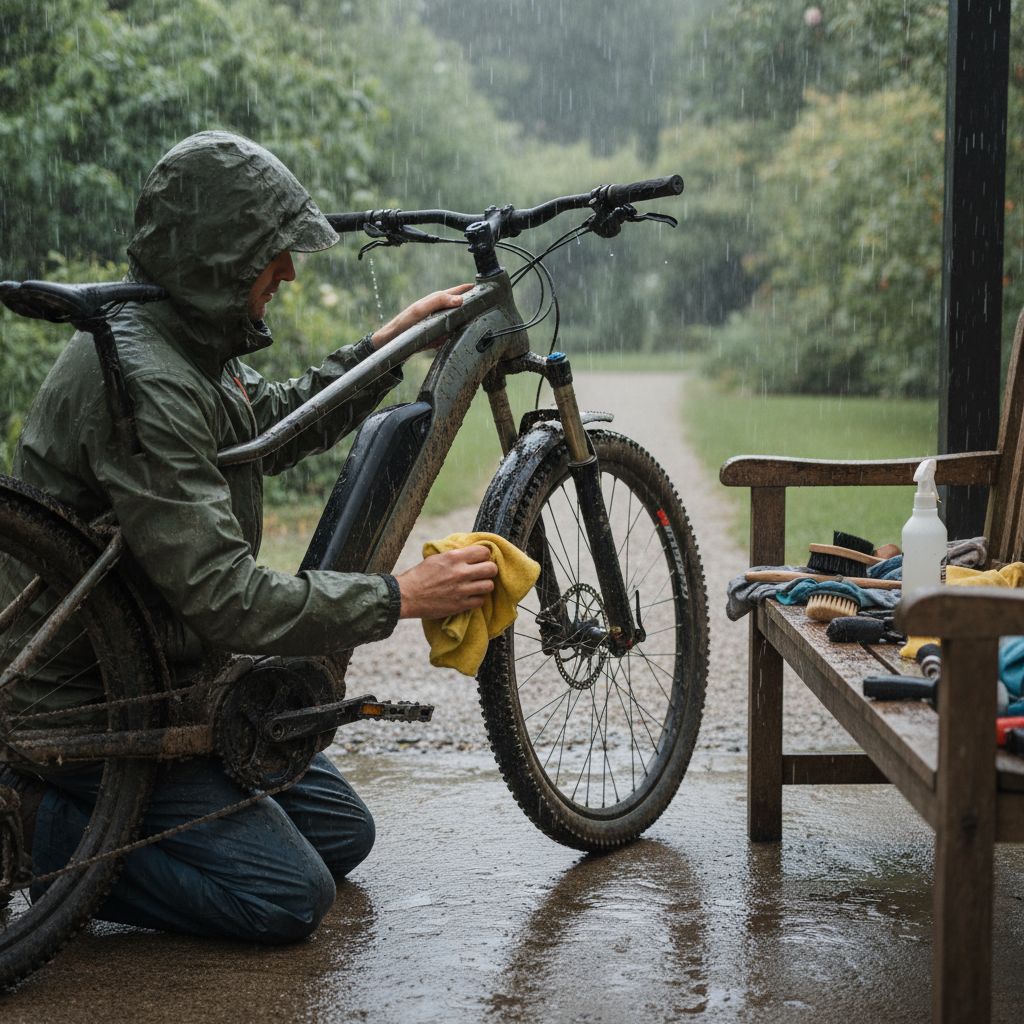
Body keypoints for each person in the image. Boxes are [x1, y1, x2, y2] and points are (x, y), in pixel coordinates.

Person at [4, 131, 498, 942]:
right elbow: (224, 598)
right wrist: (398, 597)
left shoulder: (188, 341)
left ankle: (108, 824)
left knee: (344, 832)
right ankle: (42, 831)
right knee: (286, 898)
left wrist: (384, 348)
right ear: (221, 257)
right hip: (92, 704)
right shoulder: (148, 381)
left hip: (175, 670)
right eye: (274, 254)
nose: (290, 272)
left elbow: (270, 424)